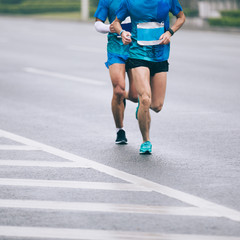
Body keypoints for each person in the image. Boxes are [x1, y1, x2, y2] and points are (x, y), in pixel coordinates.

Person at [113, 0, 185, 154]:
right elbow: (117, 22)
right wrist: (122, 32)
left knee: (157, 106)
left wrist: (170, 32)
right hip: (138, 54)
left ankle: (142, 108)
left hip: (160, 55)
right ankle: (146, 141)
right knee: (145, 98)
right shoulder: (130, 2)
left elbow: (181, 17)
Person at [94, 0, 137, 144]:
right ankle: (120, 130)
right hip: (116, 48)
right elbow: (97, 23)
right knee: (118, 90)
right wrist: (109, 28)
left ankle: (141, 102)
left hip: (136, 48)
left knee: (136, 96)